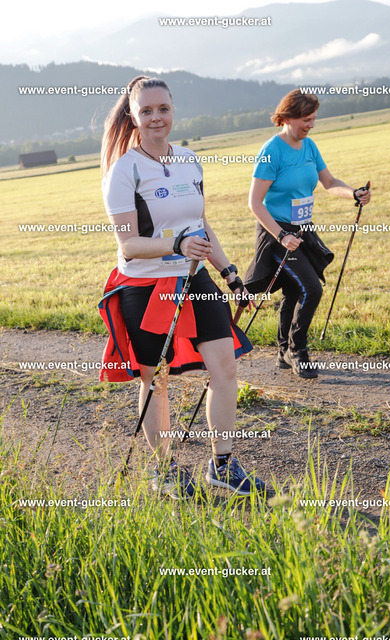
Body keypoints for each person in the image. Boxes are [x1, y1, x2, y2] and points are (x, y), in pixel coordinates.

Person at [99, 75, 265, 497]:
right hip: (145, 284)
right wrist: (176, 244)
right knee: (156, 380)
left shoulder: (189, 160)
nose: (156, 117)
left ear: (173, 110)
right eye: (147, 111)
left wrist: (230, 274)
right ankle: (164, 469)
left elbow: (201, 224)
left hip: (194, 277)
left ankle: (222, 464)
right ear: (133, 117)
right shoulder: (124, 171)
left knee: (225, 368)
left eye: (163, 109)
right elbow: (129, 245)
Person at [243, 89, 371, 378]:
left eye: (314, 119)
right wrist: (281, 236)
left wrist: (354, 193)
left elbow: (329, 182)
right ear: (287, 117)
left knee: (294, 289)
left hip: (302, 230)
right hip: (276, 233)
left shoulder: (310, 146)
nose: (311, 125)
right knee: (312, 289)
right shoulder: (271, 151)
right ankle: (297, 350)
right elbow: (255, 203)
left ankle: (283, 352)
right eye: (306, 119)